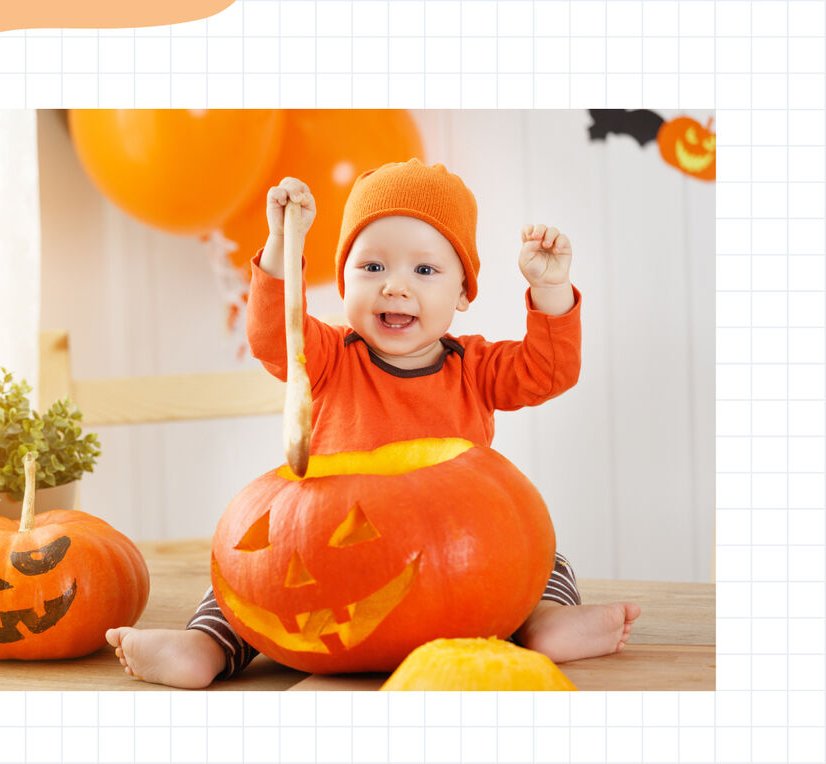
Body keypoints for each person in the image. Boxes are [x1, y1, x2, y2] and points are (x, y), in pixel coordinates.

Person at [107, 159, 641, 688]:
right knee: (255, 580)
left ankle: (547, 624)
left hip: (459, 554)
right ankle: (206, 648)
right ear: (343, 282)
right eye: (373, 267)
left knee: (540, 558)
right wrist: (279, 245)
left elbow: (549, 370)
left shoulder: (475, 367)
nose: (395, 287)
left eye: (424, 270)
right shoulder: (331, 355)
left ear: (462, 292)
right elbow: (275, 335)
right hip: (336, 551)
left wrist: (550, 290)